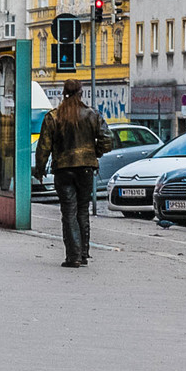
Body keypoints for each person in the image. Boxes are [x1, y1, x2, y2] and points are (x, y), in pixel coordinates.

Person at [34, 79, 113, 267]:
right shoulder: (92, 115)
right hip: (86, 168)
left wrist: (40, 168)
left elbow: (43, 146)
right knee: (83, 209)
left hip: (63, 168)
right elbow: (107, 140)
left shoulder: (53, 117)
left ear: (63, 93)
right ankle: (84, 254)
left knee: (69, 211)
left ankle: (73, 256)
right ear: (81, 93)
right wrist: (94, 153)